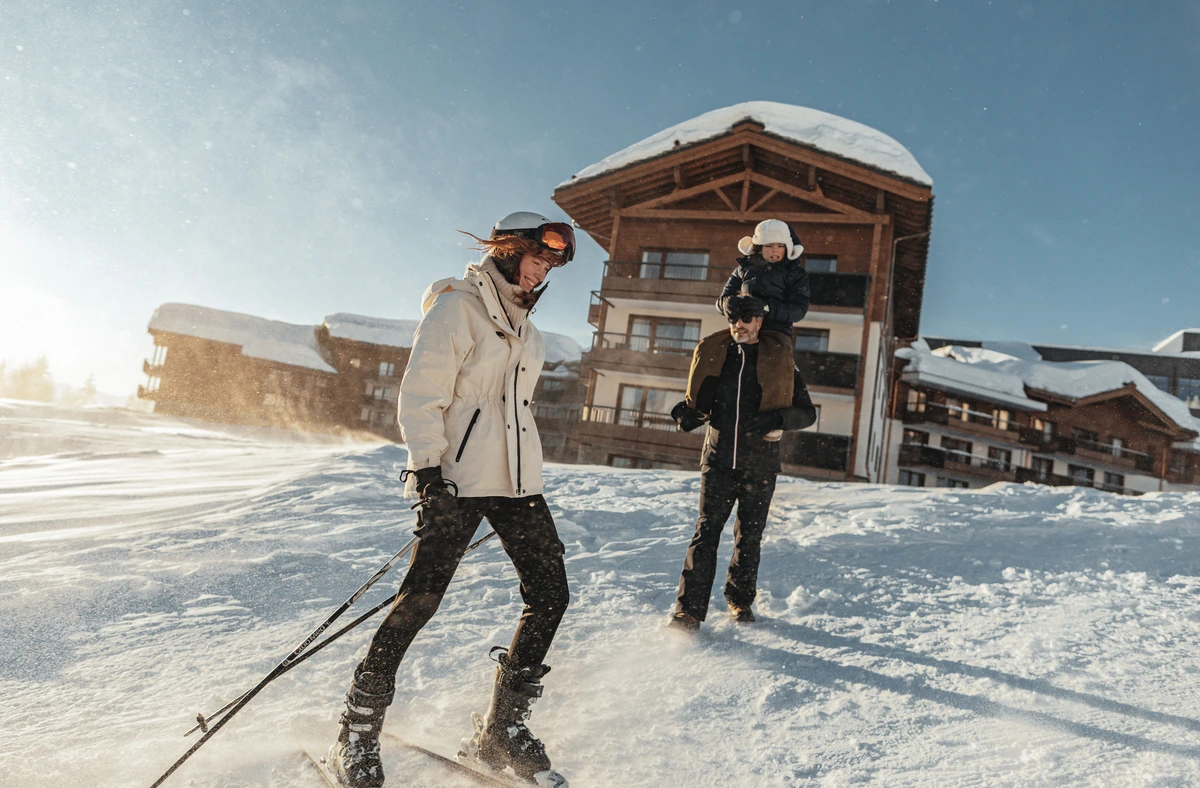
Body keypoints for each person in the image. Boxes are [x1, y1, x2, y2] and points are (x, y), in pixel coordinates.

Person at [327, 212, 573, 788]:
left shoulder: (528, 332)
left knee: (551, 593)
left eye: (551, 264)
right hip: (456, 480)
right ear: (510, 251)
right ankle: (357, 731)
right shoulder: (456, 307)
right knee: (420, 599)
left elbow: (513, 413)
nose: (542, 271)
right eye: (538, 258)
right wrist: (429, 474)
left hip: (515, 485)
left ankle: (500, 732)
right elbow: (422, 395)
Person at [668, 294, 817, 632]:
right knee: (705, 534)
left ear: (760, 322)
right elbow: (697, 406)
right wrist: (684, 415)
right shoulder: (716, 356)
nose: (739, 324)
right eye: (734, 317)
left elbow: (808, 413)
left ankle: (739, 600)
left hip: (760, 465)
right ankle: (688, 611)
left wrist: (775, 419)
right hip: (718, 461)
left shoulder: (780, 361)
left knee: (748, 537)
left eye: (747, 318)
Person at [715, 219, 811, 403]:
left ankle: (775, 412)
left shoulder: (796, 275)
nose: (775, 251)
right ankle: (699, 406)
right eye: (769, 245)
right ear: (759, 247)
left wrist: (767, 309)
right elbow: (721, 301)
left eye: (780, 246)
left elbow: (799, 310)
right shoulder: (742, 270)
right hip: (741, 330)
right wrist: (727, 304)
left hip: (776, 334)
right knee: (708, 351)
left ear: (788, 248)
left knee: (775, 374)